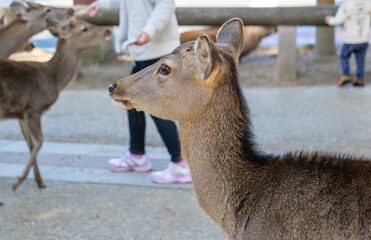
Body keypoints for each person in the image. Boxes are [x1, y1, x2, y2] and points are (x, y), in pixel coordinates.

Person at [85, 0, 191, 184]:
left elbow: (165, 4)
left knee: (155, 107)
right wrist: (100, 5)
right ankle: (137, 154)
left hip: (156, 48)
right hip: (143, 49)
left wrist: (148, 31)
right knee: (129, 99)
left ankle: (181, 163)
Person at [325, 0, 371, 87]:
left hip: (350, 39)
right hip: (363, 38)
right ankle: (359, 79)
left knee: (344, 57)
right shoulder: (368, 3)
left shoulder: (346, 5)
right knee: (360, 60)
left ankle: (346, 76)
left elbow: (338, 20)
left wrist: (330, 20)